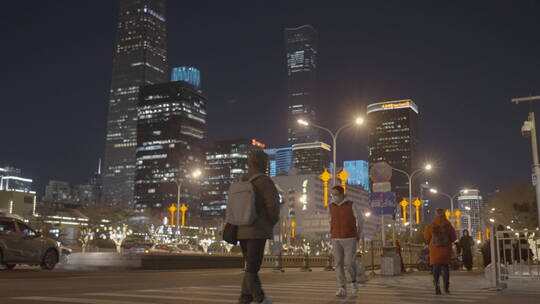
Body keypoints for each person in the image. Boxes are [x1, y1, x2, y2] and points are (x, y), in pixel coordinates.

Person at [236, 151, 280, 304]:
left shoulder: (241, 180)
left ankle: (245, 298)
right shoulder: (264, 181)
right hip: (257, 230)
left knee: (250, 265)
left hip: (241, 229)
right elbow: (273, 206)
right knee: (253, 267)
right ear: (264, 163)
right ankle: (259, 298)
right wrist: (270, 222)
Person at [329, 185, 364, 297]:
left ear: (342, 194)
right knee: (338, 264)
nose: (334, 197)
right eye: (332, 194)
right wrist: (332, 233)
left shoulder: (352, 205)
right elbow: (329, 220)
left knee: (349, 262)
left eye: (336, 194)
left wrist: (358, 234)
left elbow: (361, 219)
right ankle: (342, 287)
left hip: (350, 238)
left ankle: (353, 282)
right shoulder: (330, 206)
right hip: (336, 238)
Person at [424, 208, 457, 295]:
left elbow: (427, 238)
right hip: (446, 251)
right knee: (445, 269)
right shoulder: (448, 225)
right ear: (444, 215)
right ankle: (446, 288)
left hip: (435, 251)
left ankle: (437, 287)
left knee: (436, 269)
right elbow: (453, 238)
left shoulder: (432, 225)